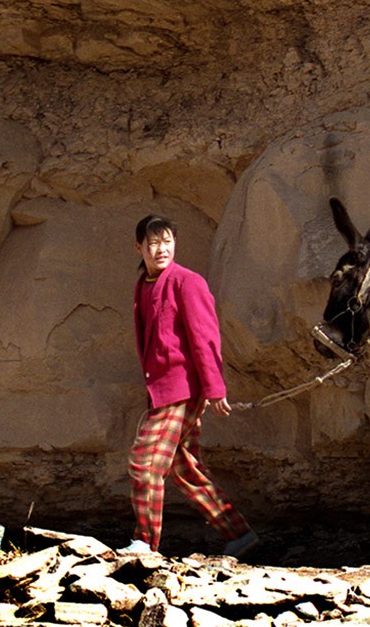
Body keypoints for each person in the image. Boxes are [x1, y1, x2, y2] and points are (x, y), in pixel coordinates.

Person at [121, 214, 259, 558]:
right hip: (162, 389)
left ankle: (144, 542)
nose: (161, 249)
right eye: (153, 243)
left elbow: (205, 336)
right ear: (139, 248)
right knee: (185, 469)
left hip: (182, 389)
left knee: (144, 461)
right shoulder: (144, 285)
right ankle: (239, 535)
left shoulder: (188, 282)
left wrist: (215, 387)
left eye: (167, 241)